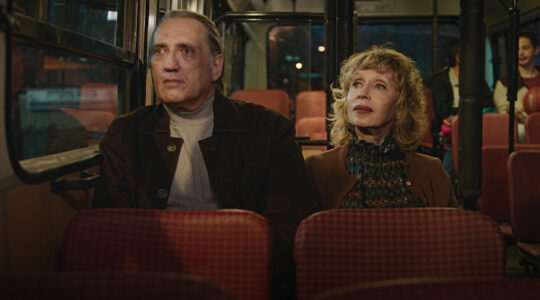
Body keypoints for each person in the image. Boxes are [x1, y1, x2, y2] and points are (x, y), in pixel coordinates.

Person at [92, 10, 318, 299]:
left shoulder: (269, 130)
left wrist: (221, 267)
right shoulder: (125, 134)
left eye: (185, 51)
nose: (169, 65)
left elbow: (290, 226)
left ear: (216, 66)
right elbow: (110, 231)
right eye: (160, 52)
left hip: (241, 282)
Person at [305, 47, 457, 209]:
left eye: (380, 86)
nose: (362, 93)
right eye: (357, 84)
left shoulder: (432, 171)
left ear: (401, 108)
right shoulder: (316, 169)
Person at [429, 38, 494, 175]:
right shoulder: (440, 81)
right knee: (458, 140)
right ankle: (446, 182)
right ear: (459, 57)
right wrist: (471, 110)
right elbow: (443, 111)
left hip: (476, 123)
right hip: (448, 126)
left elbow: (488, 103)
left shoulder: (477, 79)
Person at [494, 31, 540, 143]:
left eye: (525, 48)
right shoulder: (504, 82)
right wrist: (514, 112)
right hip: (520, 130)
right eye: (517, 49)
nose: (520, 53)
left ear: (536, 50)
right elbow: (502, 113)